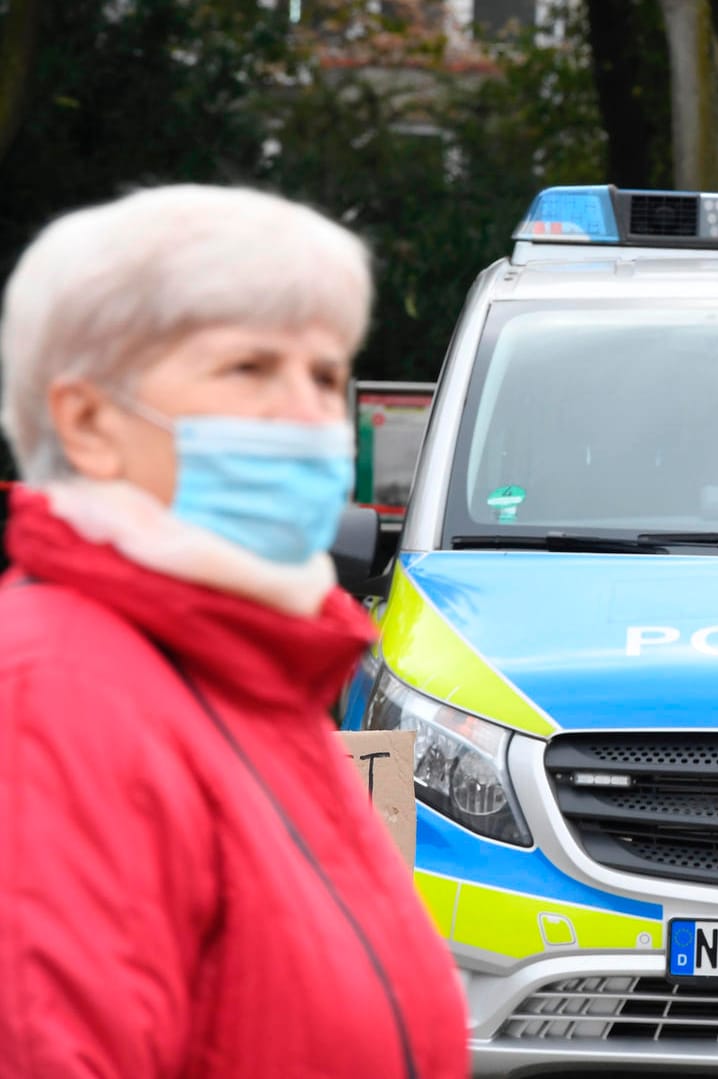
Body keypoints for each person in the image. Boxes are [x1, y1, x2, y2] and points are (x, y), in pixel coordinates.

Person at [0, 186, 469, 1078]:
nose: (310, 415)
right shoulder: (53, 694)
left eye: (327, 375)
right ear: (89, 423)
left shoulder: (248, 676)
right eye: (249, 369)